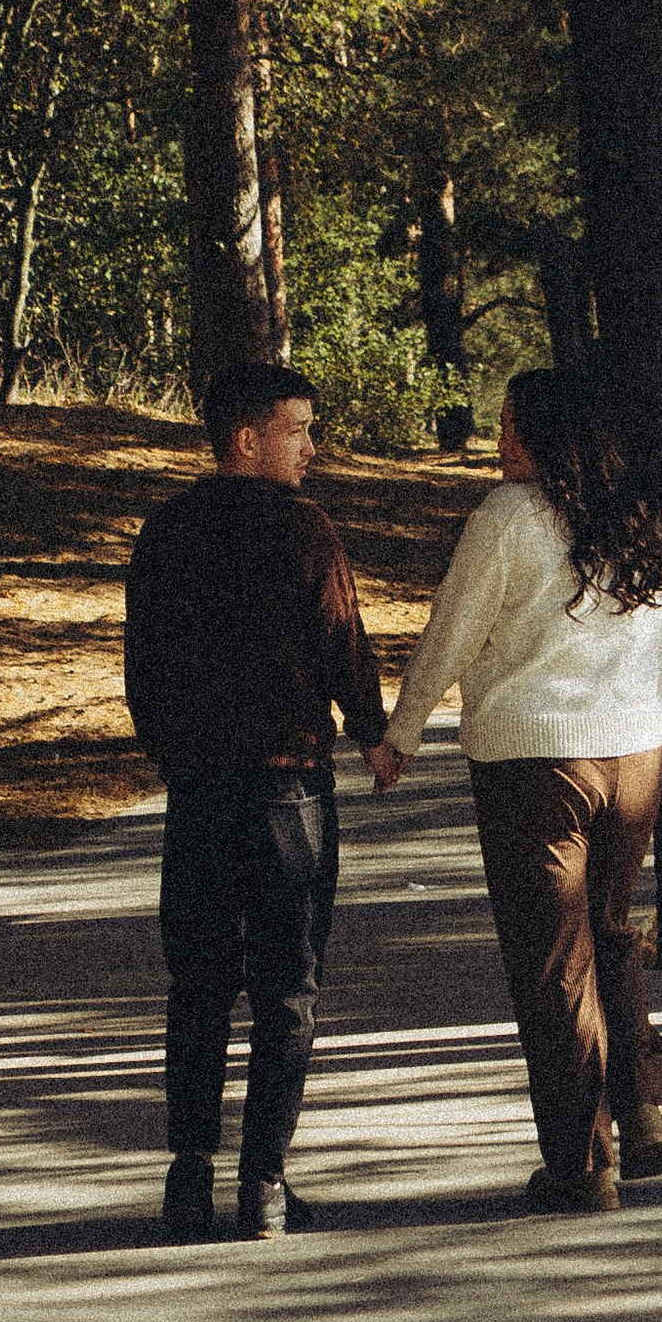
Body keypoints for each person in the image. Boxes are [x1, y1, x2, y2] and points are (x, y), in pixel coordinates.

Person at [372, 369, 662, 1214]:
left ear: (549, 434)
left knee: (554, 965)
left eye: (510, 425)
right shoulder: (645, 515)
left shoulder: (506, 518)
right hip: (636, 754)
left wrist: (401, 733)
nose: (500, 440)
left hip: (536, 764)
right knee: (609, 933)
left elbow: (451, 634)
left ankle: (582, 1166)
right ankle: (641, 1113)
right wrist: (645, 723)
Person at [124, 356, 389, 1242]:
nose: (312, 447)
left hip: (199, 796)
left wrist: (177, 756)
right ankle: (264, 1183)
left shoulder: (165, 530)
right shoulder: (304, 529)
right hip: (287, 791)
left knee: (198, 986)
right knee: (287, 990)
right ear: (246, 438)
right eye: (297, 430)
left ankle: (189, 1178)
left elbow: (142, 670)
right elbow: (342, 641)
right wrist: (372, 733)